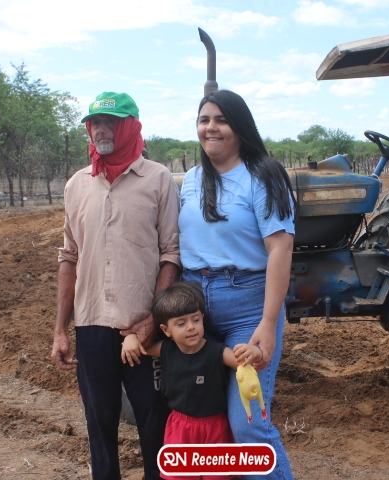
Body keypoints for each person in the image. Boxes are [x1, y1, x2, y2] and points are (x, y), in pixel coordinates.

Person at [51, 91, 181, 480]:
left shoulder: (158, 179)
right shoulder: (77, 185)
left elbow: (171, 254)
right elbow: (69, 256)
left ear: (130, 127)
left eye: (112, 122)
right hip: (91, 324)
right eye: (96, 123)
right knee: (99, 421)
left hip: (141, 327)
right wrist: (60, 329)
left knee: (154, 421)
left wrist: (154, 319)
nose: (102, 130)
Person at [178, 90, 296, 480]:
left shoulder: (262, 175)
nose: (210, 128)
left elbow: (280, 248)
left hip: (247, 307)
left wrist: (268, 322)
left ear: (240, 126)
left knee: (248, 424)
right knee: (199, 417)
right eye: (204, 120)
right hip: (195, 307)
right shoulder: (191, 180)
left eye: (221, 120)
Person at [122, 281, 263, 480]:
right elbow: (141, 349)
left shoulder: (218, 352)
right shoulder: (166, 350)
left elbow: (245, 364)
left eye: (195, 320)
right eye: (181, 323)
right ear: (166, 330)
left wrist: (255, 353)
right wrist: (131, 338)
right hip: (180, 428)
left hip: (215, 430)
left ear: (202, 319)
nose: (191, 327)